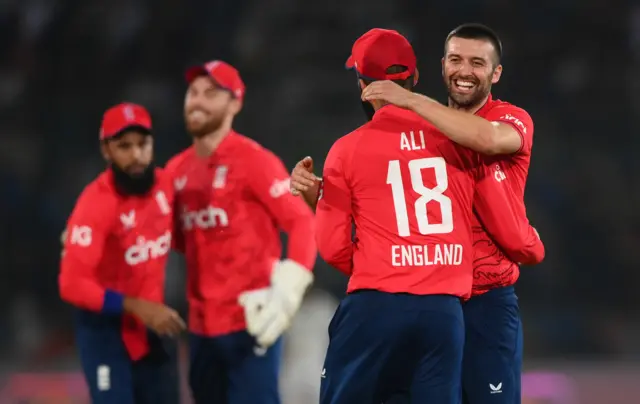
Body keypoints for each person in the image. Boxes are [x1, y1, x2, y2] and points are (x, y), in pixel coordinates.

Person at [311, 28, 543, 404]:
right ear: (433, 69)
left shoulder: (507, 120)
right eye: (455, 60)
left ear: (496, 73)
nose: (464, 70)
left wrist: (382, 272)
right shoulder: (441, 135)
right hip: (443, 305)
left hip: (481, 301)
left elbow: (487, 139)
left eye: (477, 63)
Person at [165, 60, 317, 404]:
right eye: (193, 93)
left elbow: (301, 221)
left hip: (252, 322)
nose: (198, 101)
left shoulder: (255, 162)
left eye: (211, 93)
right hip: (201, 330)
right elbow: (174, 238)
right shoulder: (175, 171)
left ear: (235, 103)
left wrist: (288, 287)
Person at [59, 103, 184, 404]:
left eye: (143, 144)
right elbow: (72, 284)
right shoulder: (95, 204)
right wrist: (137, 307)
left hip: (153, 327)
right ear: (106, 150)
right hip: (106, 332)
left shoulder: (166, 186)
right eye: (124, 146)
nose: (136, 155)